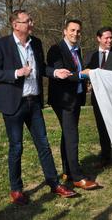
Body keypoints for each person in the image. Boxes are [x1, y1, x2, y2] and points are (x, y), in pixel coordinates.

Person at [0, 10, 77, 205]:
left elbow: (41, 67)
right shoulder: (0, 45)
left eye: (31, 20)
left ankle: (54, 183)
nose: (31, 23)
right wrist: (17, 73)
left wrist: (55, 72)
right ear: (15, 24)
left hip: (33, 102)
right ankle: (16, 189)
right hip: (13, 104)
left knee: (43, 145)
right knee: (16, 147)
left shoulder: (36, 43)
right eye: (27, 21)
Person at [47, 19, 99, 190]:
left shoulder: (77, 50)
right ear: (64, 31)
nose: (75, 33)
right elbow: (64, 74)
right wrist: (83, 75)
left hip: (75, 98)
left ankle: (67, 171)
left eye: (78, 31)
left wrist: (85, 81)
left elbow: (75, 73)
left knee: (67, 135)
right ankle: (77, 177)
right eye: (72, 30)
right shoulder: (56, 49)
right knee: (72, 136)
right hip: (63, 100)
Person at [84, 26, 112, 168]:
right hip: (98, 99)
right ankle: (105, 156)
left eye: (111, 37)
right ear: (99, 39)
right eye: (106, 38)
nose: (109, 40)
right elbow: (83, 73)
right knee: (101, 127)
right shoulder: (90, 55)